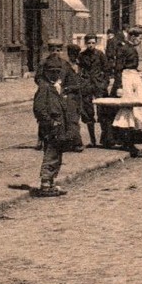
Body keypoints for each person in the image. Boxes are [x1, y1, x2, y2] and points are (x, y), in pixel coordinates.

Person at [32, 52, 78, 196]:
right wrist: (51, 122)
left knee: (57, 154)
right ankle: (45, 183)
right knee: (51, 154)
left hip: (59, 127)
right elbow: (39, 109)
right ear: (45, 73)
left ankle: (51, 182)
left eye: (58, 72)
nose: (55, 75)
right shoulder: (44, 88)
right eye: (52, 72)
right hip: (50, 128)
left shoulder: (55, 87)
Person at [79, 34, 113, 147]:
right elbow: (80, 71)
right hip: (87, 86)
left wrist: (105, 83)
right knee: (88, 113)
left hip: (99, 86)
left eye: (93, 43)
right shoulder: (82, 55)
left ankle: (105, 140)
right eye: (89, 43)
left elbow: (107, 70)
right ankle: (92, 140)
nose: (91, 45)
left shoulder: (100, 55)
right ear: (85, 43)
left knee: (103, 112)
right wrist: (82, 82)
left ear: (96, 43)